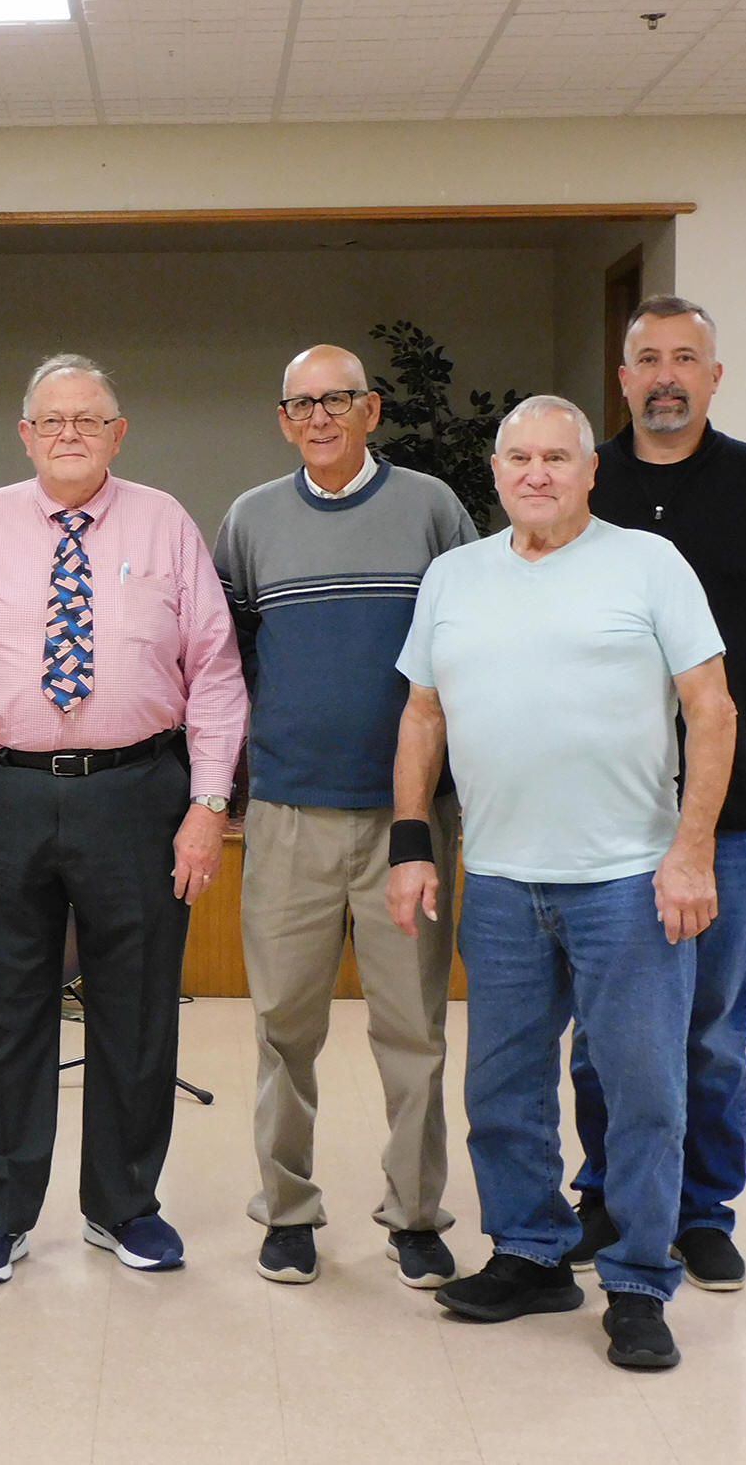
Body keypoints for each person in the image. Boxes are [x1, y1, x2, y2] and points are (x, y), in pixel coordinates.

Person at [388, 394, 735, 1371]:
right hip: (500, 881)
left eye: (555, 457)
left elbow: (711, 710)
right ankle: (530, 1254)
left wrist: (691, 850)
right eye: (518, 458)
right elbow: (421, 714)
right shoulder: (455, 577)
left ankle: (636, 1280)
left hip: (627, 881)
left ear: (590, 471)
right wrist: (411, 842)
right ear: (494, 472)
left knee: (642, 1091)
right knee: (502, 1088)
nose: (535, 473)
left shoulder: (647, 563)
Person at [0, 353, 248, 1284]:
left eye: (88, 420)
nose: (69, 434)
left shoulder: (166, 523)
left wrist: (208, 806)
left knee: (137, 1010)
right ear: (25, 434)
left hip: (138, 793)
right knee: (0, 1012)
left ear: (117, 434)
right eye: (51, 420)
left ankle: (124, 1205)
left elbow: (216, 674)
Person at [564, 296, 746, 1290]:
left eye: (685, 358)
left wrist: (740, 722)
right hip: (602, 814)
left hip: (728, 814)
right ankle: (604, 1195)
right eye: (647, 359)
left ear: (714, 376)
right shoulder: (582, 484)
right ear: (622, 378)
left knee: (711, 1031)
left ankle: (702, 1210)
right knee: (601, 1034)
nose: (665, 376)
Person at [213, 344, 478, 1289]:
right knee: (284, 1028)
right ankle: (286, 1211)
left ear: (372, 410)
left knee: (413, 1030)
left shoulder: (431, 509)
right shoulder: (250, 521)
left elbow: (468, 642)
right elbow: (231, 654)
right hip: (288, 813)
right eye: (301, 404)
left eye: (338, 400)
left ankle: (415, 1213)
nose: (319, 417)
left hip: (408, 821)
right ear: (283, 420)